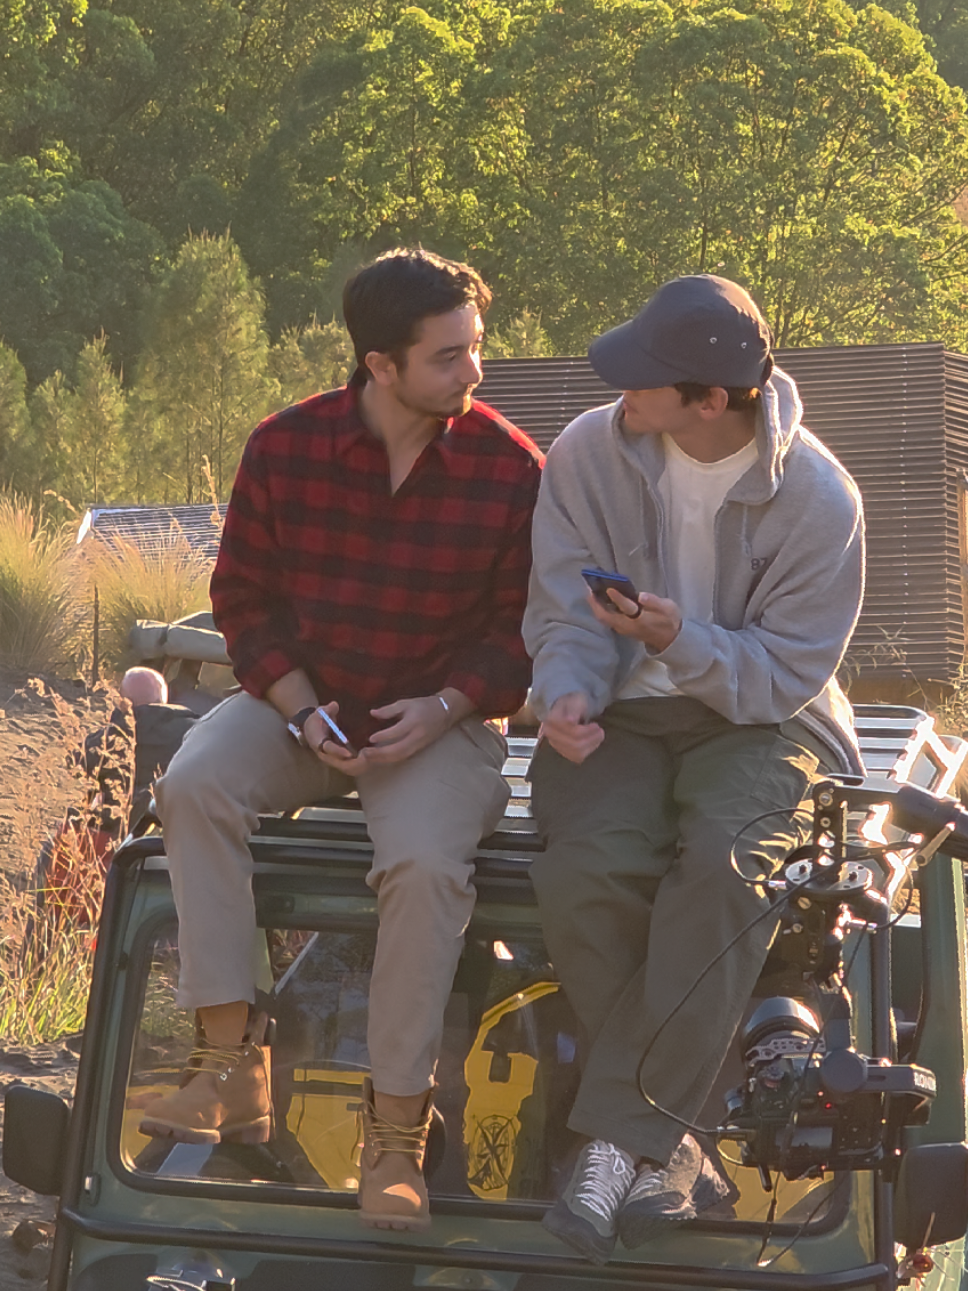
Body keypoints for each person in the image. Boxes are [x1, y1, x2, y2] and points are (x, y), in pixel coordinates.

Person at [140, 248, 544, 1233]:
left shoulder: (512, 470)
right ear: (378, 363)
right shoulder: (282, 448)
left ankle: (396, 1133)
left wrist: (444, 708)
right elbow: (240, 597)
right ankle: (230, 1063)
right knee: (191, 785)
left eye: (474, 349)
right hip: (302, 702)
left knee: (417, 864)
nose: (473, 372)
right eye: (448, 356)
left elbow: (522, 632)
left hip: (436, 720)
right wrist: (296, 702)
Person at [522, 274, 864, 1263]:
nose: (619, 393)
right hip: (621, 712)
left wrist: (685, 641)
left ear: (711, 401)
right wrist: (568, 690)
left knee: (722, 872)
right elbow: (556, 610)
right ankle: (664, 1138)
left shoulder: (818, 498)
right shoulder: (586, 452)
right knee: (581, 873)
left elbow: (785, 673)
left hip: (763, 719)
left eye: (643, 380)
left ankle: (620, 1141)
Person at [79, 666, 197, 836]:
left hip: (114, 838)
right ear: (164, 698)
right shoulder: (196, 733)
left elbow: (73, 773)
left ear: (123, 701)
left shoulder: (106, 740)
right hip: (178, 835)